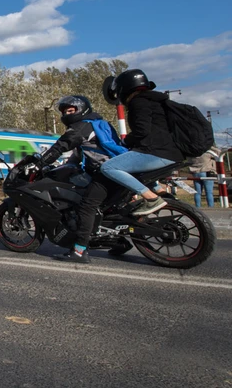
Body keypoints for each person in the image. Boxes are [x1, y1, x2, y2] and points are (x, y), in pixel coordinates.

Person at [36, 95, 127, 264]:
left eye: (71, 110)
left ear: (82, 109)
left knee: (86, 206)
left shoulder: (82, 127)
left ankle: (79, 251)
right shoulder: (98, 123)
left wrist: (40, 163)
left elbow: (60, 146)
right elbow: (79, 154)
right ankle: (119, 242)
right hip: (117, 170)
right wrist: (63, 166)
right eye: (64, 112)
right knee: (105, 206)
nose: (67, 114)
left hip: (107, 173)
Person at [101, 69, 183, 216]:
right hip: (172, 152)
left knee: (108, 167)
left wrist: (126, 140)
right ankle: (160, 192)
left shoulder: (138, 102)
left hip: (157, 152)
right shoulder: (157, 100)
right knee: (135, 168)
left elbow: (142, 131)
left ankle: (152, 199)